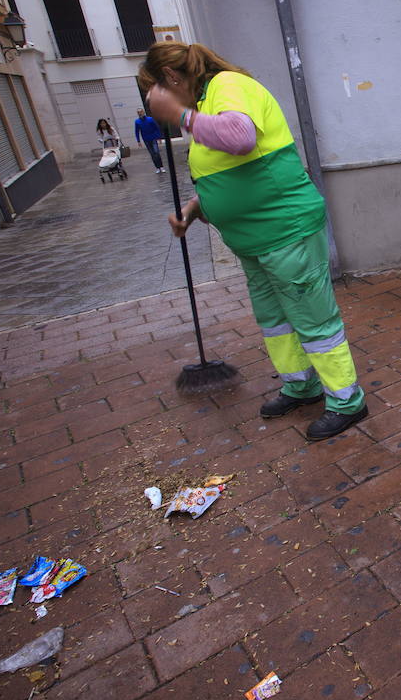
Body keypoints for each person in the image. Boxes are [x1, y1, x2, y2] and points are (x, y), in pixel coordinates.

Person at [138, 41, 368, 441]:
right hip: (254, 240)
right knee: (276, 320)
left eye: (157, 90)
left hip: (285, 230)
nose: (158, 101)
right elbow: (229, 170)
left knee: (313, 319)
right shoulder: (205, 103)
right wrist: (195, 207)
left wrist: (179, 115)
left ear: (172, 77)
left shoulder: (228, 85)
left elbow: (240, 137)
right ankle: (301, 386)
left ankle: (347, 400)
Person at [134, 108, 165, 173]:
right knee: (152, 154)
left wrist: (159, 137)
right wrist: (138, 141)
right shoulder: (137, 122)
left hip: (153, 138)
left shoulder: (150, 119)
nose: (140, 113)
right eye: (138, 112)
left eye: (141, 112)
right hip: (146, 140)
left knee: (156, 152)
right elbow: (137, 132)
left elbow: (156, 128)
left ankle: (161, 167)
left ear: (143, 112)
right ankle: (157, 168)